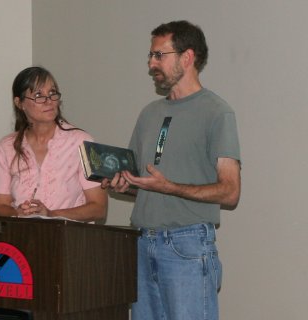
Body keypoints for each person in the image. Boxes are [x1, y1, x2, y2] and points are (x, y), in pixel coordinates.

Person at [102, 20, 241, 319]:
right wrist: (124, 184)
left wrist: (171, 187)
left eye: (159, 55)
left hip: (187, 247)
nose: (151, 63)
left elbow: (230, 192)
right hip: (141, 242)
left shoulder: (217, 112)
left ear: (187, 57)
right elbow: (146, 183)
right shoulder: (149, 113)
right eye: (150, 56)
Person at [0, 66, 107, 222]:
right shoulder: (7, 146)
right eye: (39, 95)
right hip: (22, 238)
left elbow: (98, 208)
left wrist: (51, 214)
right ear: (19, 103)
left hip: (70, 240)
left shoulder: (81, 141)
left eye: (52, 93)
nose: (49, 101)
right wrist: (18, 213)